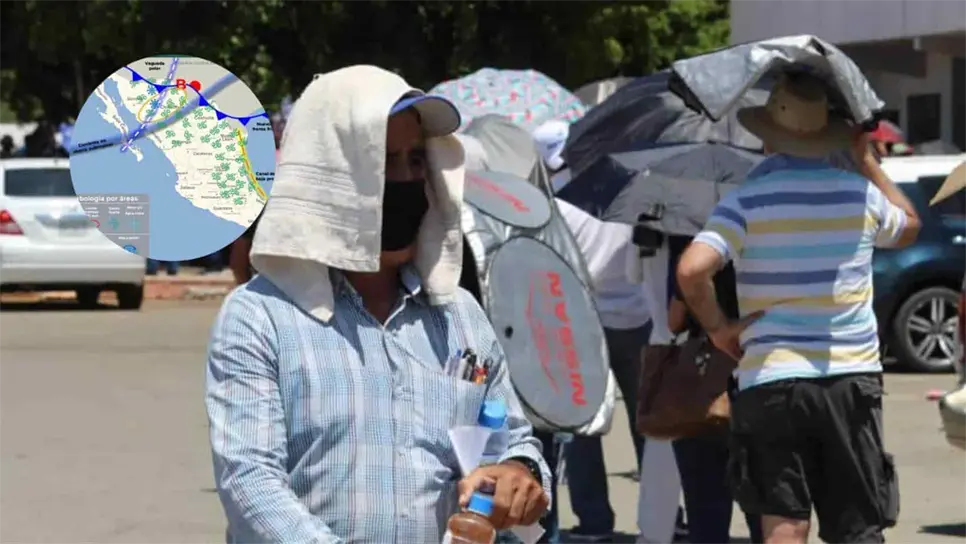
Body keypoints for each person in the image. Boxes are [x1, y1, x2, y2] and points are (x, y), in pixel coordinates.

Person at [205, 65, 551, 543]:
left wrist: (519, 472)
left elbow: (512, 439)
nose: (406, 180)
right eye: (385, 162)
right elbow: (251, 483)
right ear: (329, 175)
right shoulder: (261, 317)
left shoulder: (460, 315)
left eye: (415, 160)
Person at [676, 73, 920, 544]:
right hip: (850, 376)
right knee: (857, 528)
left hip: (770, 378)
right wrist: (867, 163)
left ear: (769, 136)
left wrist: (720, 328)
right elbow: (909, 227)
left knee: (784, 527)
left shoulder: (745, 201)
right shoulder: (860, 195)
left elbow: (691, 271)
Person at [533, 119, 652, 542]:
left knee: (583, 428)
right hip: (636, 316)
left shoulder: (554, 207)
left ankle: (595, 520)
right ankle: (660, 515)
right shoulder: (625, 190)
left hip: (580, 325)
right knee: (647, 424)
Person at [666, 235, 761, 544]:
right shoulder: (768, 246)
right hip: (759, 376)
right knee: (767, 508)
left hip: (701, 381)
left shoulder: (694, 251)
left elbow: (673, 321)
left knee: (705, 510)